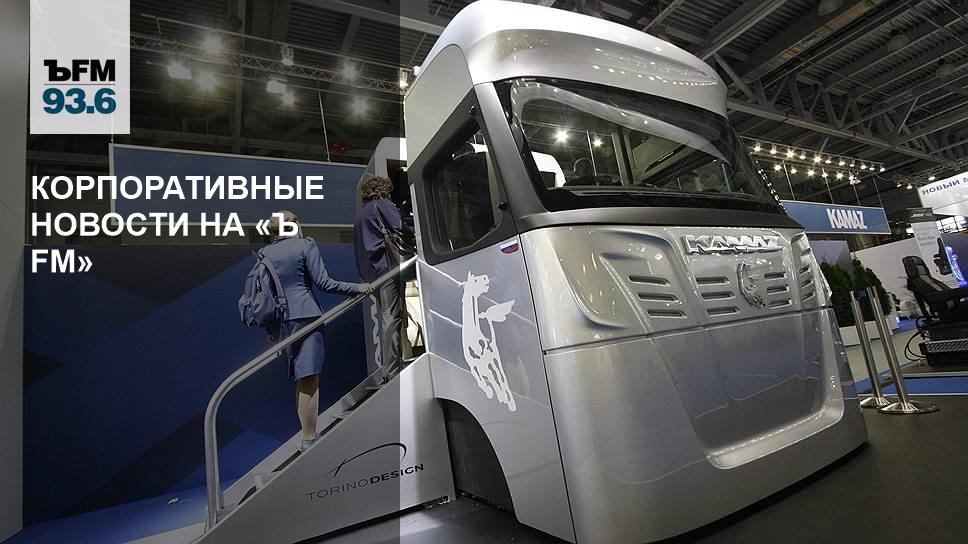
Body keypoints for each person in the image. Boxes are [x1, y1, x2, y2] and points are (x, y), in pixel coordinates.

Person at [260, 210, 371, 452]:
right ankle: (310, 437)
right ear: (294, 224)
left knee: (303, 379)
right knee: (310, 378)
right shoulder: (305, 245)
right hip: (307, 316)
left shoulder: (266, 253)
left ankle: (308, 434)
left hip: (282, 322)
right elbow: (324, 282)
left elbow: (267, 294)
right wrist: (358, 288)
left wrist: (271, 329)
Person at [354, 177, 410, 381]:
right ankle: (393, 369)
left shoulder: (361, 215)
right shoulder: (383, 204)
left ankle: (394, 364)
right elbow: (399, 226)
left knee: (388, 314)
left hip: (371, 272)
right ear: (384, 190)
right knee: (391, 316)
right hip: (386, 267)